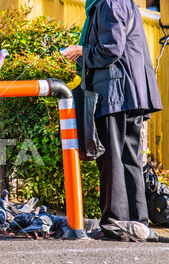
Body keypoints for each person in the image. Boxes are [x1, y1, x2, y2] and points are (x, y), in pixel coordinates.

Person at [62, 0, 163, 240]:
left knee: (112, 159)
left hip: (115, 90)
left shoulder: (108, 2)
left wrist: (81, 52)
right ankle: (136, 226)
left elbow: (111, 49)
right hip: (130, 90)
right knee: (129, 158)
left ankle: (115, 225)